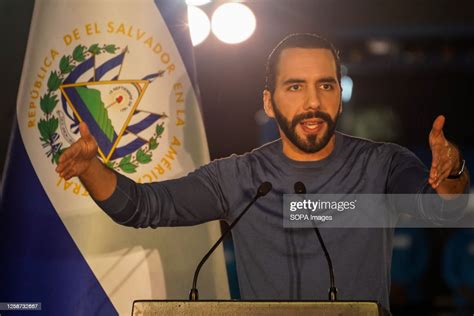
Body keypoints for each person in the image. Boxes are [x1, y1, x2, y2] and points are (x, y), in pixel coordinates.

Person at [56, 33, 469, 310]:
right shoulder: (238, 178)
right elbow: (144, 207)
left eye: (325, 86)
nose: (313, 102)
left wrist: (454, 171)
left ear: (339, 98)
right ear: (269, 103)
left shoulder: (382, 164)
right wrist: (92, 168)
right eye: (296, 87)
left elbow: (443, 209)